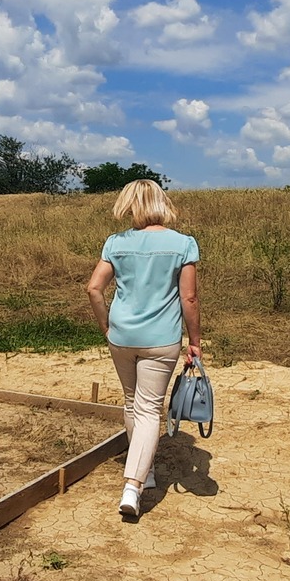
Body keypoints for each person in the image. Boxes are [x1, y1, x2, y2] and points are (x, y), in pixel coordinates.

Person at [84, 179, 201, 523]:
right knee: (150, 409)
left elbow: (93, 288)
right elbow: (189, 298)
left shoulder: (116, 243)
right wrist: (194, 341)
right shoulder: (182, 244)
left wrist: (107, 326)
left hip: (121, 336)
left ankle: (145, 471)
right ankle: (133, 486)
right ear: (162, 203)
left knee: (132, 401)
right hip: (161, 338)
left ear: (130, 204)